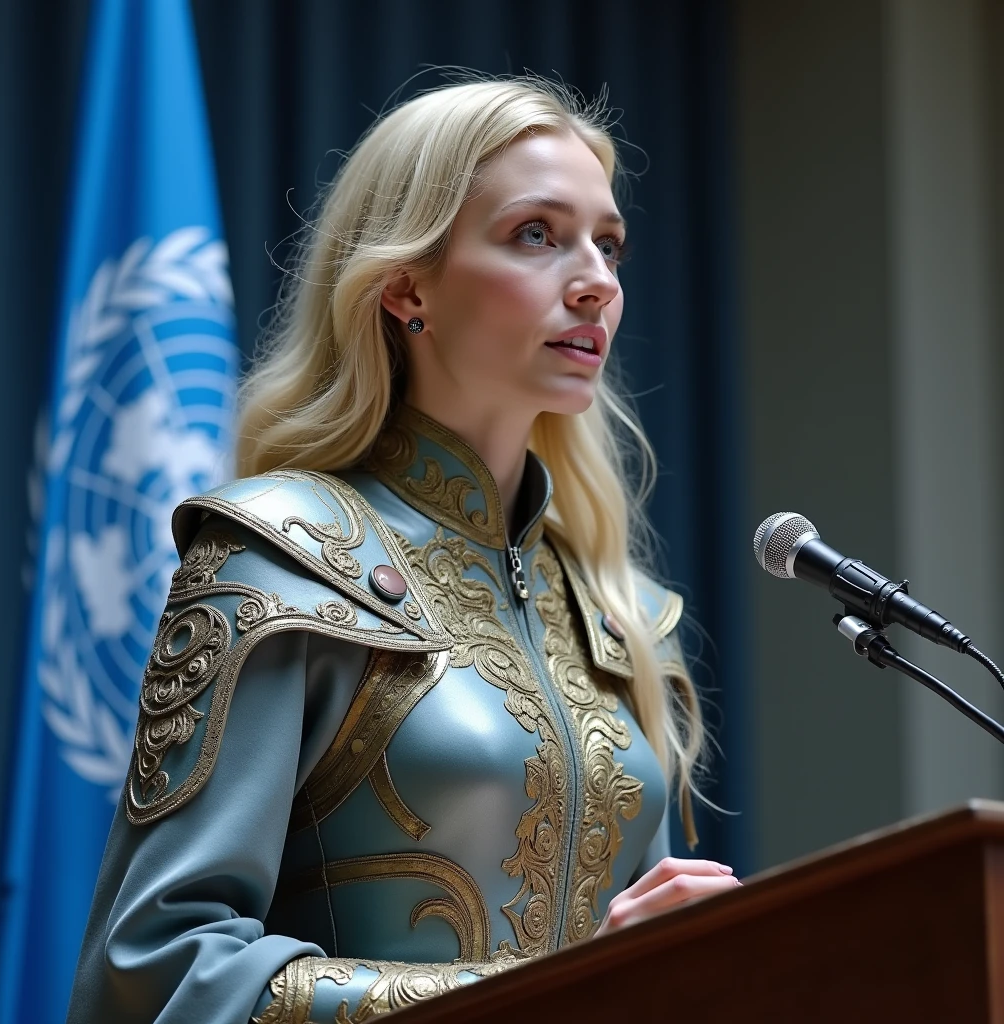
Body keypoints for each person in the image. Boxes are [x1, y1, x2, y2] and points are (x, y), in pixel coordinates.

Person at [66, 75, 738, 1024]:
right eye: (537, 234)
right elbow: (155, 975)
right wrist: (559, 994)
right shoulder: (285, 558)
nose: (596, 279)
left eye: (608, 243)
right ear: (405, 286)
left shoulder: (619, 614)